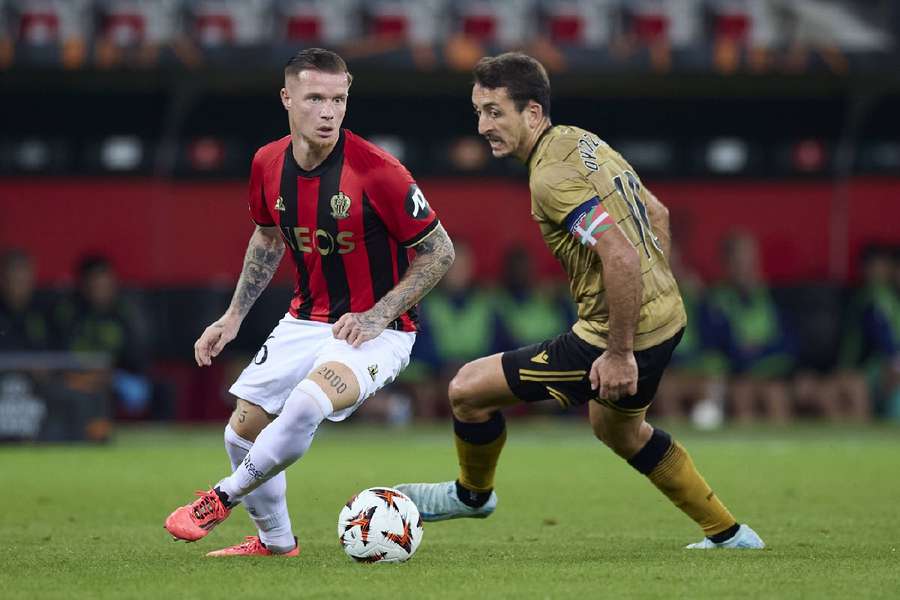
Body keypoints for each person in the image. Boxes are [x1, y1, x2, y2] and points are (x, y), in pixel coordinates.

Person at [396, 52, 764, 549]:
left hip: (613, 335)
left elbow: (622, 258)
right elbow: (657, 212)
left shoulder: (550, 178)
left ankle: (471, 495)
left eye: (495, 112)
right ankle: (730, 534)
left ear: (531, 113)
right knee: (619, 431)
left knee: (465, 390)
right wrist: (658, 293)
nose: (483, 125)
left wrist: (618, 351)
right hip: (667, 318)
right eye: (479, 111)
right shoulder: (584, 141)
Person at [163, 48, 455, 557]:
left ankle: (219, 499)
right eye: (316, 98)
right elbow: (267, 238)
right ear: (287, 98)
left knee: (305, 404)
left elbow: (440, 252)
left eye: (338, 99)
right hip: (305, 319)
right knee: (241, 433)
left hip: (379, 331)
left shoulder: (378, 171)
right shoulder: (267, 163)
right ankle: (277, 543)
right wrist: (233, 316)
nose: (328, 111)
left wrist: (378, 315)